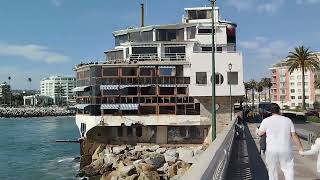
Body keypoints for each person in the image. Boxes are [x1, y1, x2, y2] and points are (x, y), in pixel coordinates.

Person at [257, 103, 303, 180]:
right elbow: (294, 135)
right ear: (279, 110)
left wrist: (257, 130)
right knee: (288, 169)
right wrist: (300, 148)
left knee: (272, 171)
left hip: (271, 150)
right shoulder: (288, 120)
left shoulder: (266, 121)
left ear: (270, 111)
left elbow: (259, 133)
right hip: (285, 149)